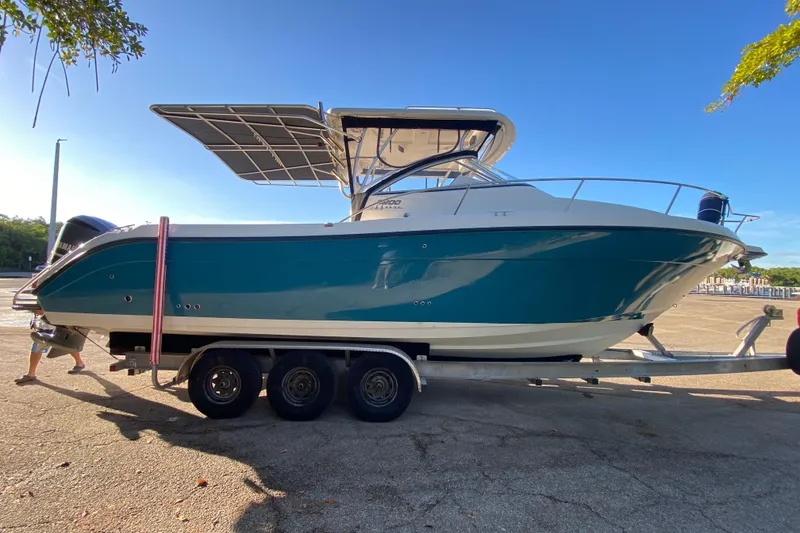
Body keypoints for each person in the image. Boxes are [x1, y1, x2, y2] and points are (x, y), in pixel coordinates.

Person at [14, 309, 85, 384]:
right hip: (43, 327)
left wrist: (42, 311)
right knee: (36, 349)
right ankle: (31, 374)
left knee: (67, 346)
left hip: (57, 327)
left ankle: (79, 363)